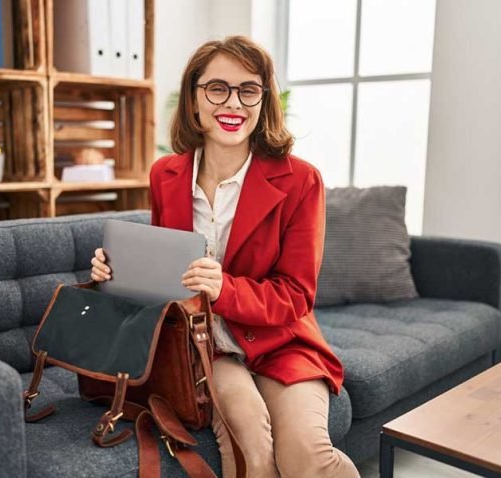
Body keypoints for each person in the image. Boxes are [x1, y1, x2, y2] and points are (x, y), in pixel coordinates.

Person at [91, 36, 359, 478]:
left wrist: (225, 288)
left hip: (281, 342)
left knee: (306, 457)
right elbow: (165, 273)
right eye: (217, 88)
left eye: (248, 89)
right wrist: (116, 271)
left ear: (263, 99)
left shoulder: (301, 181)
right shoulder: (166, 174)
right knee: (250, 451)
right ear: (194, 98)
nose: (232, 102)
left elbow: (296, 296)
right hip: (203, 346)